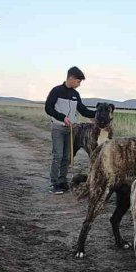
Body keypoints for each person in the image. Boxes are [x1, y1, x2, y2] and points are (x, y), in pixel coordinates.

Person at [44, 66, 96, 194]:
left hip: (71, 130)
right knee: (58, 156)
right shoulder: (56, 91)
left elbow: (83, 110)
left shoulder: (75, 95)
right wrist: (62, 117)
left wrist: (98, 113)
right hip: (58, 128)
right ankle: (53, 183)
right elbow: (48, 108)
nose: (79, 84)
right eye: (78, 81)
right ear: (71, 78)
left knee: (67, 157)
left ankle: (62, 181)